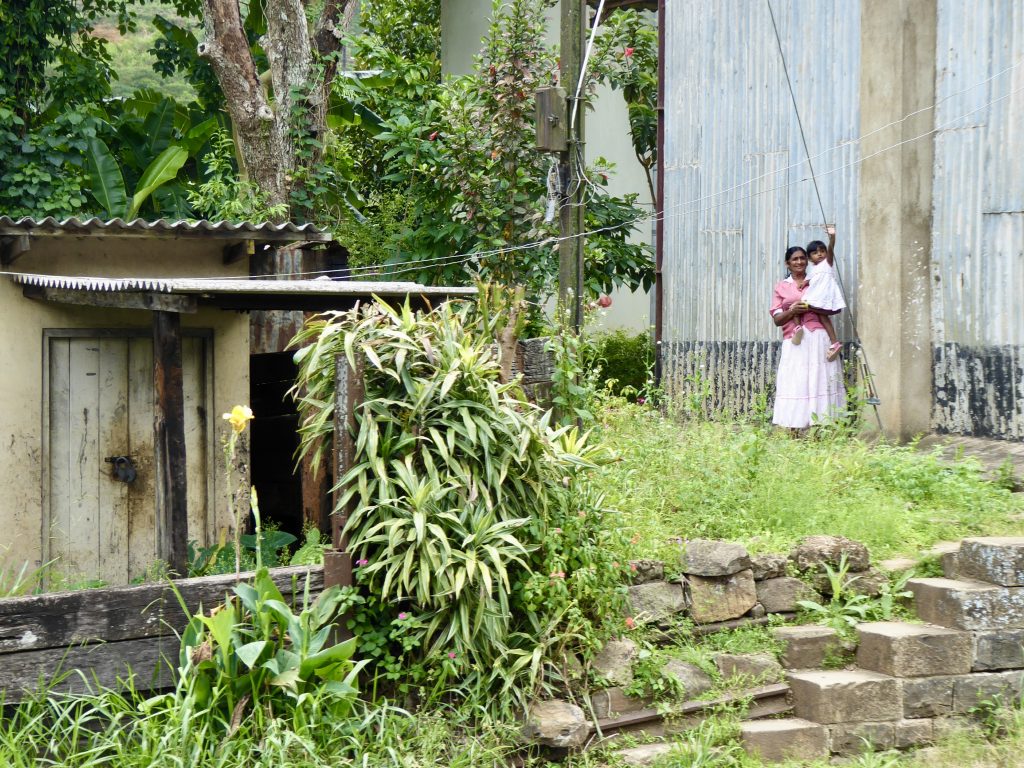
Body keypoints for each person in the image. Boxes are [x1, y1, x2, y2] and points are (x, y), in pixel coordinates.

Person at [769, 245, 847, 429]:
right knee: (796, 382)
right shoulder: (781, 286)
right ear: (788, 263)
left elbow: (832, 307)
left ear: (807, 261)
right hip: (795, 340)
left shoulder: (817, 280)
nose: (799, 262)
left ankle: (821, 426)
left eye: (802, 258)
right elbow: (777, 319)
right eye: (795, 259)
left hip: (818, 336)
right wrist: (792, 311)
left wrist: (810, 307)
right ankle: (794, 426)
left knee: (819, 379)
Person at [800, 225, 846, 361]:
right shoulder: (812, 271)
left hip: (824, 296)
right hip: (816, 297)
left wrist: (832, 237)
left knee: (802, 305)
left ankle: (798, 328)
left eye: (822, 251)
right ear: (809, 258)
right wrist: (804, 283)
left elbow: (831, 249)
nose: (819, 254)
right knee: (823, 318)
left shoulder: (828, 263)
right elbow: (806, 282)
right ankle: (834, 343)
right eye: (815, 253)